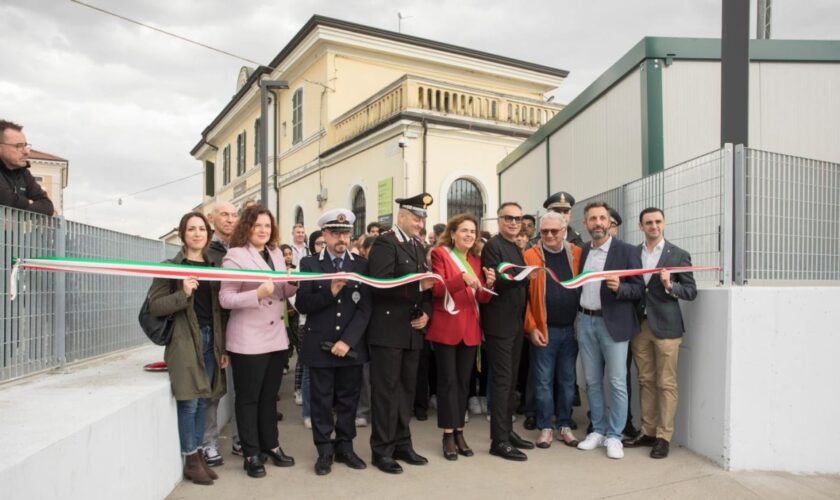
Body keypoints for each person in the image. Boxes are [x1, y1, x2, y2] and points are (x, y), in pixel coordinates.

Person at [147, 212, 227, 485]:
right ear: (182, 234)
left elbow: (219, 311)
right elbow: (155, 306)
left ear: (208, 234)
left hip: (210, 341)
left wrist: (222, 347)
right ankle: (191, 458)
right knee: (190, 401)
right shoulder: (170, 266)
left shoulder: (214, 266)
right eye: (191, 229)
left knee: (205, 399)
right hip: (184, 342)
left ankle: (200, 455)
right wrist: (183, 293)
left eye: (201, 229)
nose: (197, 233)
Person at [219, 205, 298, 478]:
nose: (263, 230)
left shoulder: (276, 253)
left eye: (267, 225)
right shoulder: (235, 256)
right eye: (258, 225)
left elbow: (281, 291)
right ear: (247, 228)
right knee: (249, 398)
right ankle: (251, 452)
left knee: (268, 398)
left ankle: (271, 445)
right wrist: (256, 294)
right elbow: (226, 299)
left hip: (275, 338)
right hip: (248, 340)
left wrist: (293, 282)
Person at [296, 208, 372, 475]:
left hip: (350, 348)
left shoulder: (360, 265)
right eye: (336, 233)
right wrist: (330, 291)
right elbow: (303, 304)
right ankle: (324, 450)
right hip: (320, 346)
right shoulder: (309, 264)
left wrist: (348, 342)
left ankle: (345, 447)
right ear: (325, 234)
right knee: (321, 401)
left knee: (349, 400)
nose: (342, 238)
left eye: (346, 233)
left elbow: (365, 309)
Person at [366, 193, 435, 474]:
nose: (420, 224)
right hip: (387, 330)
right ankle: (381, 450)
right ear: (402, 216)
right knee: (386, 392)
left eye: (422, 219)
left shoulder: (417, 247)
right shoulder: (386, 243)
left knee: (406, 390)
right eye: (417, 218)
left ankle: (402, 443)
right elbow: (380, 284)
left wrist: (427, 311)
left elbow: (426, 284)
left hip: (411, 330)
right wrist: (421, 288)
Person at [623, 207, 697, 459]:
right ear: (640, 226)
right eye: (648, 223)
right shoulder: (633, 253)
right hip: (639, 326)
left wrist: (669, 285)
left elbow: (690, 291)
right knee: (645, 380)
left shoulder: (678, 254)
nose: (653, 226)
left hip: (667, 327)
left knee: (666, 382)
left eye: (657, 222)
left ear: (663, 223)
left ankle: (664, 437)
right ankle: (648, 431)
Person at [575, 202, 644, 460]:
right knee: (592, 381)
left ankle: (615, 436)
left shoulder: (626, 251)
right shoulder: (582, 251)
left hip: (613, 324)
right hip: (585, 321)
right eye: (592, 219)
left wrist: (619, 288)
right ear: (585, 224)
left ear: (610, 222)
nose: (598, 223)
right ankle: (598, 430)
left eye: (602, 218)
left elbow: (638, 289)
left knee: (616, 382)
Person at [425, 213, 495, 460]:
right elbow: (436, 289)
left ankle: (460, 432)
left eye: (472, 231)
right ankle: (447, 434)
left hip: (470, 330)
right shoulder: (440, 254)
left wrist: (490, 285)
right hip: (446, 328)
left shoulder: (476, 260)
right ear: (452, 233)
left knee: (464, 383)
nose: (469, 235)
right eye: (464, 230)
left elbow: (481, 298)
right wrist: (460, 279)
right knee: (447, 383)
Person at [481, 202, 535, 461]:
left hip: (514, 323)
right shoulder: (493, 247)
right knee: (502, 382)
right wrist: (526, 276)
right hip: (498, 325)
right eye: (508, 218)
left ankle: (507, 431)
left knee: (511, 380)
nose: (514, 222)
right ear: (499, 220)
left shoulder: (515, 246)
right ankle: (498, 441)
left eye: (518, 218)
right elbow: (496, 281)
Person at [523, 212, 582, 449]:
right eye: (544, 231)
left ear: (564, 231)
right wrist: (531, 327)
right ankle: (545, 427)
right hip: (544, 330)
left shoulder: (576, 254)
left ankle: (565, 425)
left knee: (568, 381)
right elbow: (523, 298)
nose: (548, 235)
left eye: (554, 231)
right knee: (543, 382)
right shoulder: (529, 256)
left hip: (572, 330)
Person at [202, 202, 239, 465]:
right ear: (212, 218)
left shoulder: (242, 250)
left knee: (244, 390)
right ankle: (209, 443)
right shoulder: (205, 252)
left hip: (241, 328)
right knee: (213, 392)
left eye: (234, 215)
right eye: (224, 214)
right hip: (214, 331)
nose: (230, 219)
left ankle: (241, 439)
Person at [0, 120, 54, 215]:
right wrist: (28, 202)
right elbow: (4, 198)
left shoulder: (23, 173)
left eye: (25, 145)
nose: (26, 152)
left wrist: (18, 204)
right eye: (18, 146)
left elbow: (47, 207)